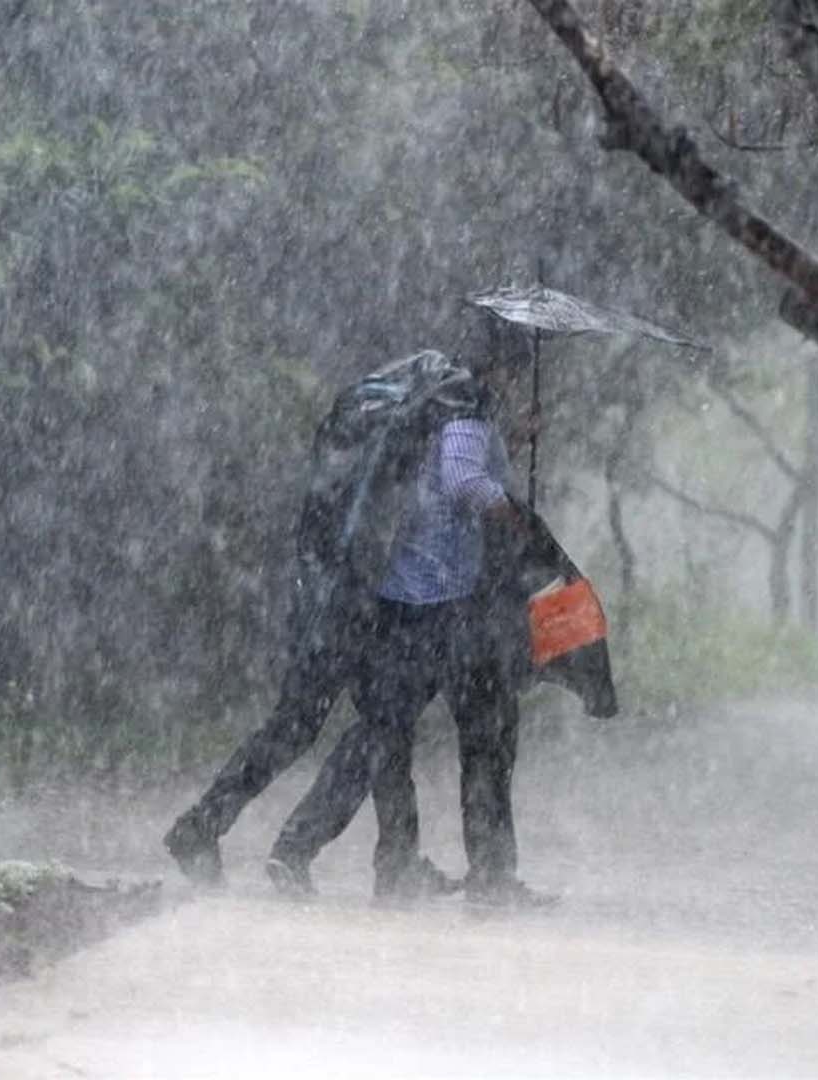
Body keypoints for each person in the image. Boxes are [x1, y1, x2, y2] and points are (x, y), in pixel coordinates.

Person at [163, 315, 547, 904]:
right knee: (363, 733)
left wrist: (507, 443)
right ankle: (277, 843)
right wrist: (514, 514)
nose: (519, 385)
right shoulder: (464, 407)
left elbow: (440, 477)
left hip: (356, 589)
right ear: (506, 368)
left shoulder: (435, 399)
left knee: (361, 731)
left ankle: (381, 860)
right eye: (518, 374)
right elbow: (463, 479)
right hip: (402, 600)